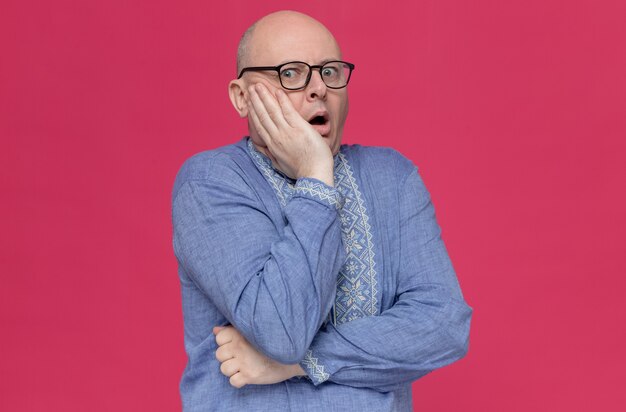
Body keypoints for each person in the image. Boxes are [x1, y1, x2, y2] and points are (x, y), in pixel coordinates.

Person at [172, 10, 472, 412]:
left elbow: (445, 326)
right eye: (292, 73)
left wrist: (302, 363)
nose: (318, 89)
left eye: (330, 72)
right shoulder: (210, 181)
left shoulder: (392, 178)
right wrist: (315, 175)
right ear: (241, 97)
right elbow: (281, 330)